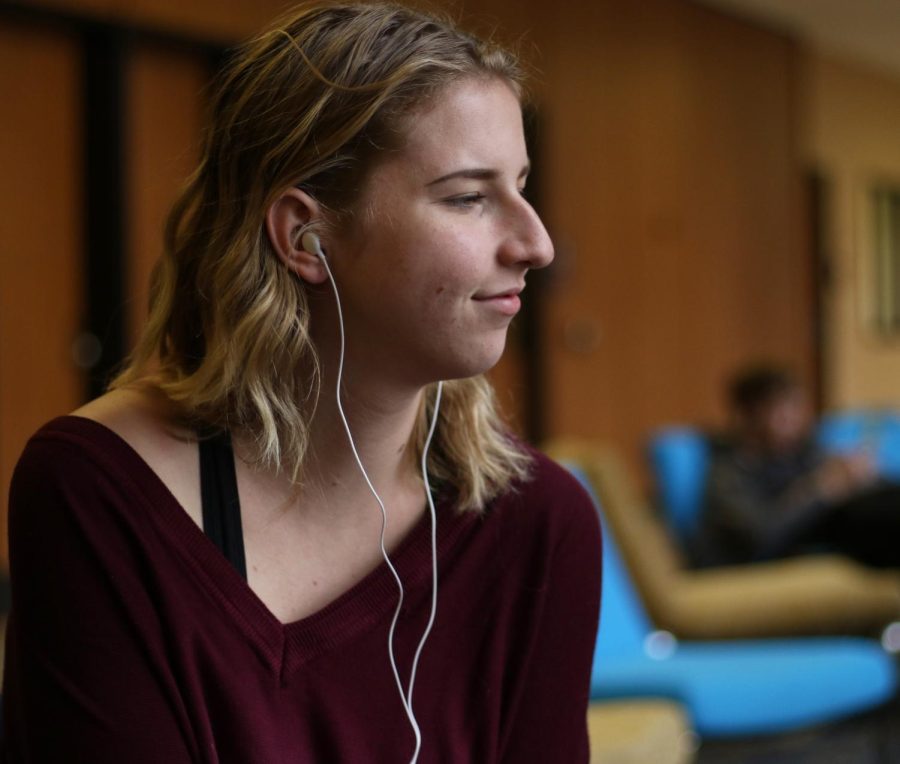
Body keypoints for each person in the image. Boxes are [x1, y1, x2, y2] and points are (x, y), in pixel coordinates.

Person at [2, 3, 602, 762]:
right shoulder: (103, 494)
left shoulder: (537, 523)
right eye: (467, 197)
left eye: (521, 185)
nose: (536, 243)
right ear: (304, 237)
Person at [692, 364, 900, 568]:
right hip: (768, 558)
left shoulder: (801, 452)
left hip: (836, 536)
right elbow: (761, 536)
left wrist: (858, 475)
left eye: (796, 406)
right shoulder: (728, 471)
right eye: (782, 408)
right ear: (747, 415)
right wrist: (819, 489)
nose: (794, 418)